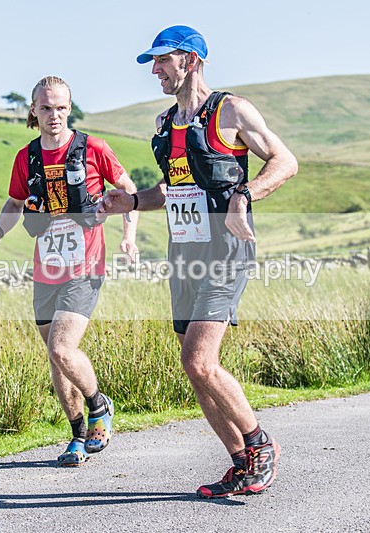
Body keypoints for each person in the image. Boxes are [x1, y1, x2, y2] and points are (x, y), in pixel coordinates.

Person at [99, 25, 298, 497]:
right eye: (153, 62)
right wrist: (131, 202)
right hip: (184, 252)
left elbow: (285, 161)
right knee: (194, 367)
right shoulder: (166, 124)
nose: (155, 70)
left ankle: (261, 444)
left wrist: (244, 195)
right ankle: (241, 463)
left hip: (225, 251)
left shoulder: (230, 110)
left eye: (162, 60)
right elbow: (172, 189)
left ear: (190, 60)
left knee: (199, 359)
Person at [0, 76, 139, 466]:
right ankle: (78, 436)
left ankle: (99, 405)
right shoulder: (27, 157)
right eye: (46, 107)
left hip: (86, 265)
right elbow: (15, 203)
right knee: (56, 358)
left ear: (70, 108)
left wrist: (128, 237)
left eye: (61, 107)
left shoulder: (93, 148)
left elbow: (128, 191)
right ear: (33, 110)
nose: (54, 115)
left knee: (61, 348)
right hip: (46, 269)